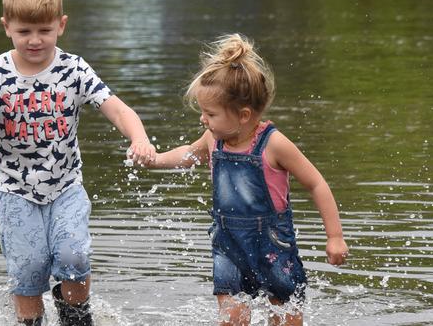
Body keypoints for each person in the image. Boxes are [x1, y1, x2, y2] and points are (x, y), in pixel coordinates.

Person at [0, 0, 156, 326]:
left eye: (45, 30)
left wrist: (139, 137)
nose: (35, 40)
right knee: (27, 269)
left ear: (62, 24)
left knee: (73, 257)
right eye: (24, 31)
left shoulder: (73, 69)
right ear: (6, 26)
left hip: (66, 187)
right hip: (16, 192)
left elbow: (116, 108)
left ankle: (76, 317)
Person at [145, 34, 348, 326]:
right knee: (232, 320)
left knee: (285, 316)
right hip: (228, 245)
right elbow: (187, 155)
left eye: (210, 113)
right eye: (203, 112)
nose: (203, 119)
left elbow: (316, 183)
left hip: (273, 245)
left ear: (243, 115)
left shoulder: (273, 144)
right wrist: (155, 159)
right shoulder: (213, 140)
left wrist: (335, 237)